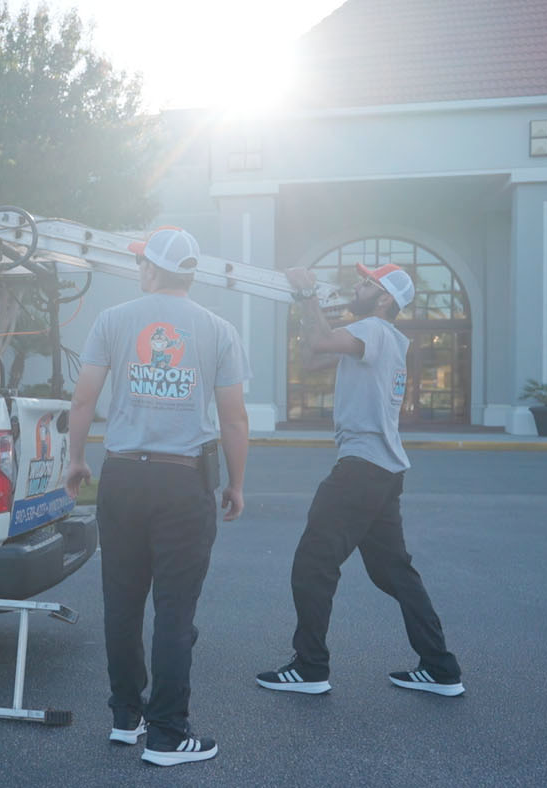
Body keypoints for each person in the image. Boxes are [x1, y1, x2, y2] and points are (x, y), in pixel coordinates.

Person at [65, 226, 250, 767]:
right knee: (174, 610)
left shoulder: (113, 321)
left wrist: (77, 460)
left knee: (121, 604)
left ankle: (127, 717)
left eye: (141, 262)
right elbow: (234, 419)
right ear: (189, 274)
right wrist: (236, 484)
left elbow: (83, 402)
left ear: (149, 270)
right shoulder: (217, 330)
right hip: (182, 480)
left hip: (121, 477)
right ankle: (169, 733)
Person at [257, 263, 464, 697]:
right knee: (394, 573)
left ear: (385, 298)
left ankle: (310, 667)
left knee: (313, 563)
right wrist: (309, 308)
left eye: (367, 282)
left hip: (361, 469)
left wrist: (306, 294)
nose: (357, 285)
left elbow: (316, 340)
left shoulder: (372, 328)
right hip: (384, 472)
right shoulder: (378, 336)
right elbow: (313, 355)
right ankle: (441, 668)